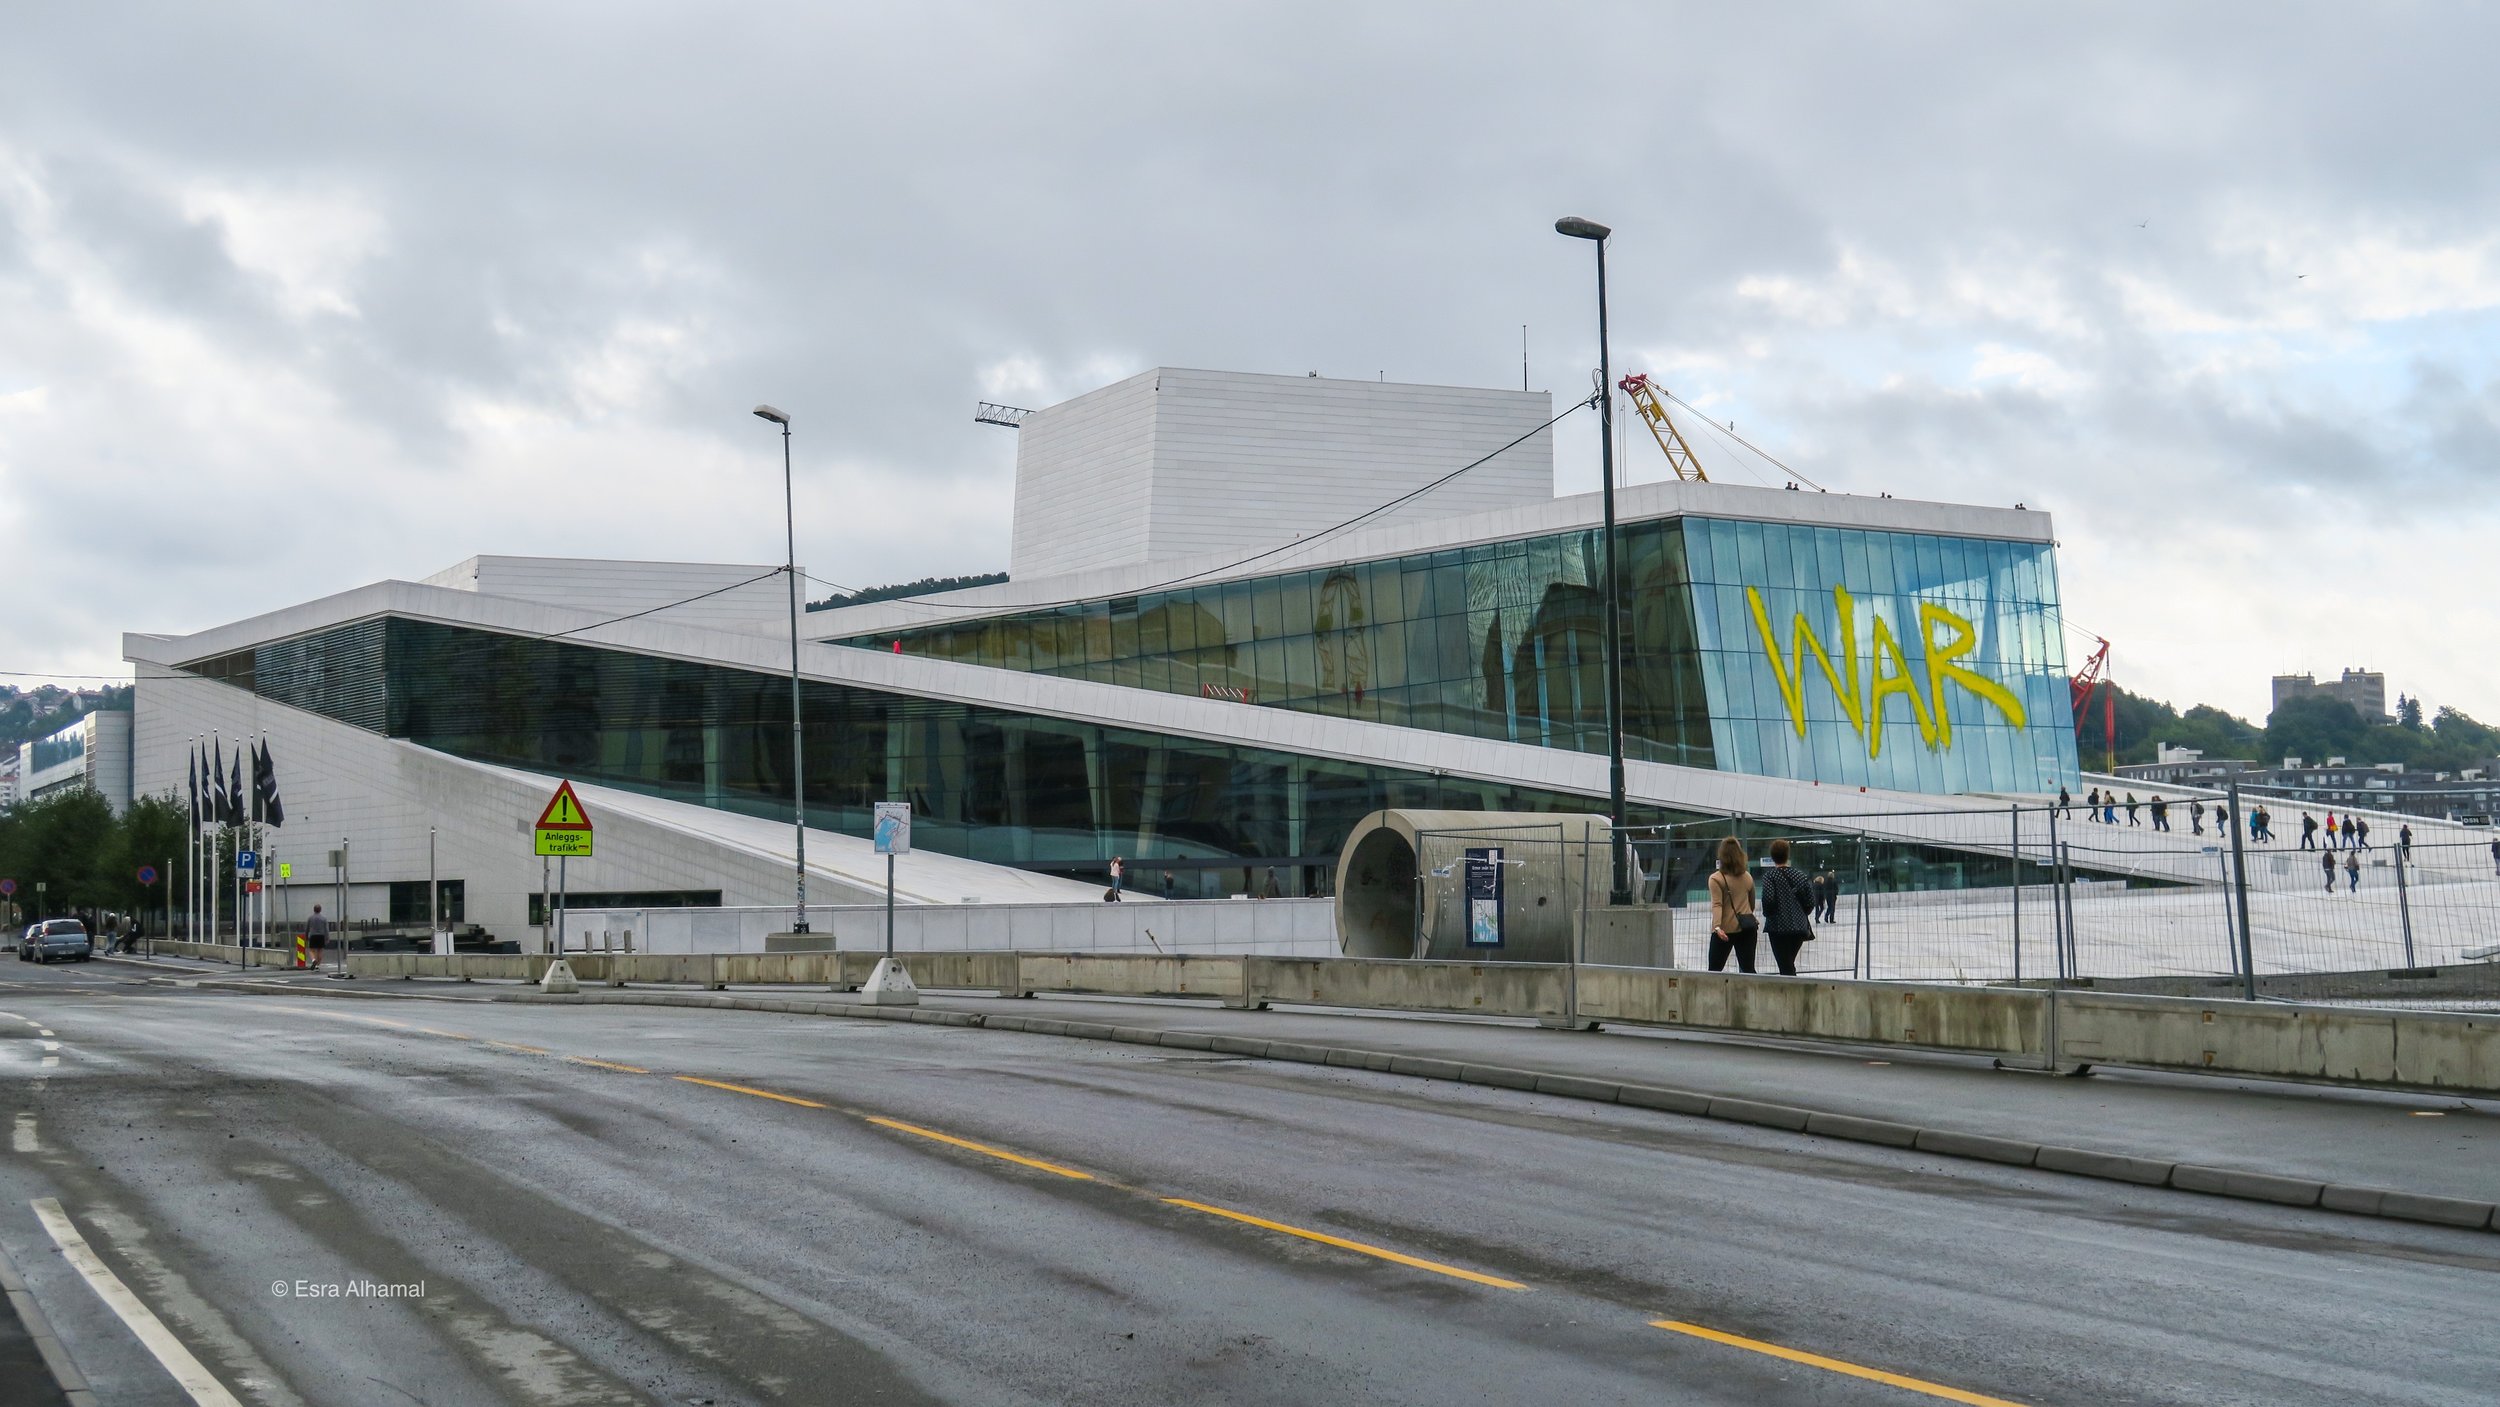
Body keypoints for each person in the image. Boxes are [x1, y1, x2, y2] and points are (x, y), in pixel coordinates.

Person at [1757, 838, 1817, 977]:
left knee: (1785, 965)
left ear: (1772, 857)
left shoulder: (1770, 876)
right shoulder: (1800, 876)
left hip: (1778, 927)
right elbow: (1810, 901)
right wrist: (1802, 914)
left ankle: (1792, 994)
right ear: (1787, 855)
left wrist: (1769, 914)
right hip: (1799, 927)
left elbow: (1768, 899)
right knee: (1788, 964)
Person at [1706, 836, 1758, 973]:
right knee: (1748, 969)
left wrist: (1717, 927)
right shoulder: (1747, 876)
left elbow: (1717, 904)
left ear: (1722, 855)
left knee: (1714, 971)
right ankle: (1750, 994)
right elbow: (1752, 904)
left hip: (1724, 930)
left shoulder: (1716, 878)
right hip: (1747, 928)